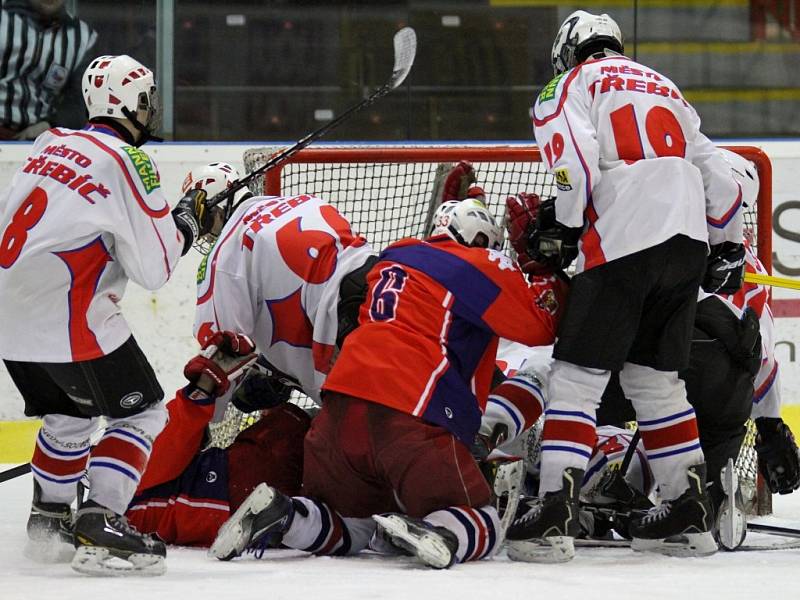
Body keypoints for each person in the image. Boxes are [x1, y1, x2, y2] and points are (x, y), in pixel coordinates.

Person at [208, 198, 567, 569]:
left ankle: (285, 514)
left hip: (336, 413)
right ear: (481, 241)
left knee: (352, 525)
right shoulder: (480, 263)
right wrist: (541, 265)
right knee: (483, 518)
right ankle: (439, 530)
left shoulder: (397, 254)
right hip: (410, 414)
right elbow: (542, 323)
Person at [507, 10, 744, 562]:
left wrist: (566, 224)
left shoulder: (567, 84)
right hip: (688, 238)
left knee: (575, 377)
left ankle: (551, 517)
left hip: (623, 233)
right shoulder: (665, 85)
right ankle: (688, 513)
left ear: (568, 52)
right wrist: (727, 244)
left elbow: (575, 161)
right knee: (656, 381)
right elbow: (722, 180)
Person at [0, 54, 211, 576]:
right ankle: (101, 523)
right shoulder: (128, 161)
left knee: (69, 415)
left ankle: (48, 522)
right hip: (65, 316)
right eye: (149, 100)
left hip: (6, 316)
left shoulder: (48, 144)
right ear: (133, 103)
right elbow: (156, 266)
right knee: (141, 412)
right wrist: (191, 217)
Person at [190, 164, 378, 408]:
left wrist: (204, 415)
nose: (206, 237)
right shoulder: (305, 201)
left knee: (373, 431)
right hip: (388, 288)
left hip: (345, 331)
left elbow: (221, 347)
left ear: (213, 210)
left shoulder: (225, 251)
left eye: (204, 225)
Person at [0, 0, 97, 139]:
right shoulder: (3, 16)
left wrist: (50, 124)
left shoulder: (83, 37)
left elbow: (79, 102)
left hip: (41, 139)